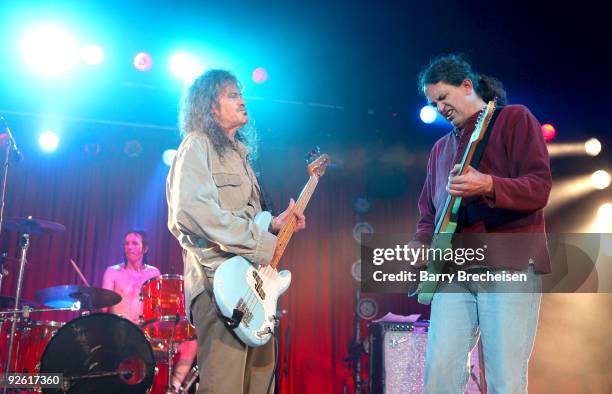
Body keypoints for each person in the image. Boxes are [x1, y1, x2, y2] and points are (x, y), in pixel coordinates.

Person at [410, 54, 552, 393]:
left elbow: (539, 187)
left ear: (467, 85)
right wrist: (420, 244)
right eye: (433, 103)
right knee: (439, 374)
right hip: (453, 271)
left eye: (443, 97)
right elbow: (429, 213)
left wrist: (489, 185)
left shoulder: (514, 119)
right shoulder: (440, 149)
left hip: (508, 264)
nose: (439, 108)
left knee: (503, 378)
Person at [166, 69, 305, 394]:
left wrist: (273, 224)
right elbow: (190, 212)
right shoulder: (197, 145)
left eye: (240, 94)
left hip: (252, 291)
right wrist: (260, 242)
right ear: (210, 107)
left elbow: (243, 219)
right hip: (219, 287)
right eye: (231, 95)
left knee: (258, 386)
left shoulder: (241, 158)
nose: (242, 100)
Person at [102, 230, 197, 392]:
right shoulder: (113, 272)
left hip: (146, 334)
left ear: (145, 249)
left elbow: (158, 312)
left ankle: (173, 386)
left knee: (191, 341)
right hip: (120, 332)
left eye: (134, 243)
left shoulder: (154, 273)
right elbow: (103, 307)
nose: (129, 247)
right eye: (126, 243)